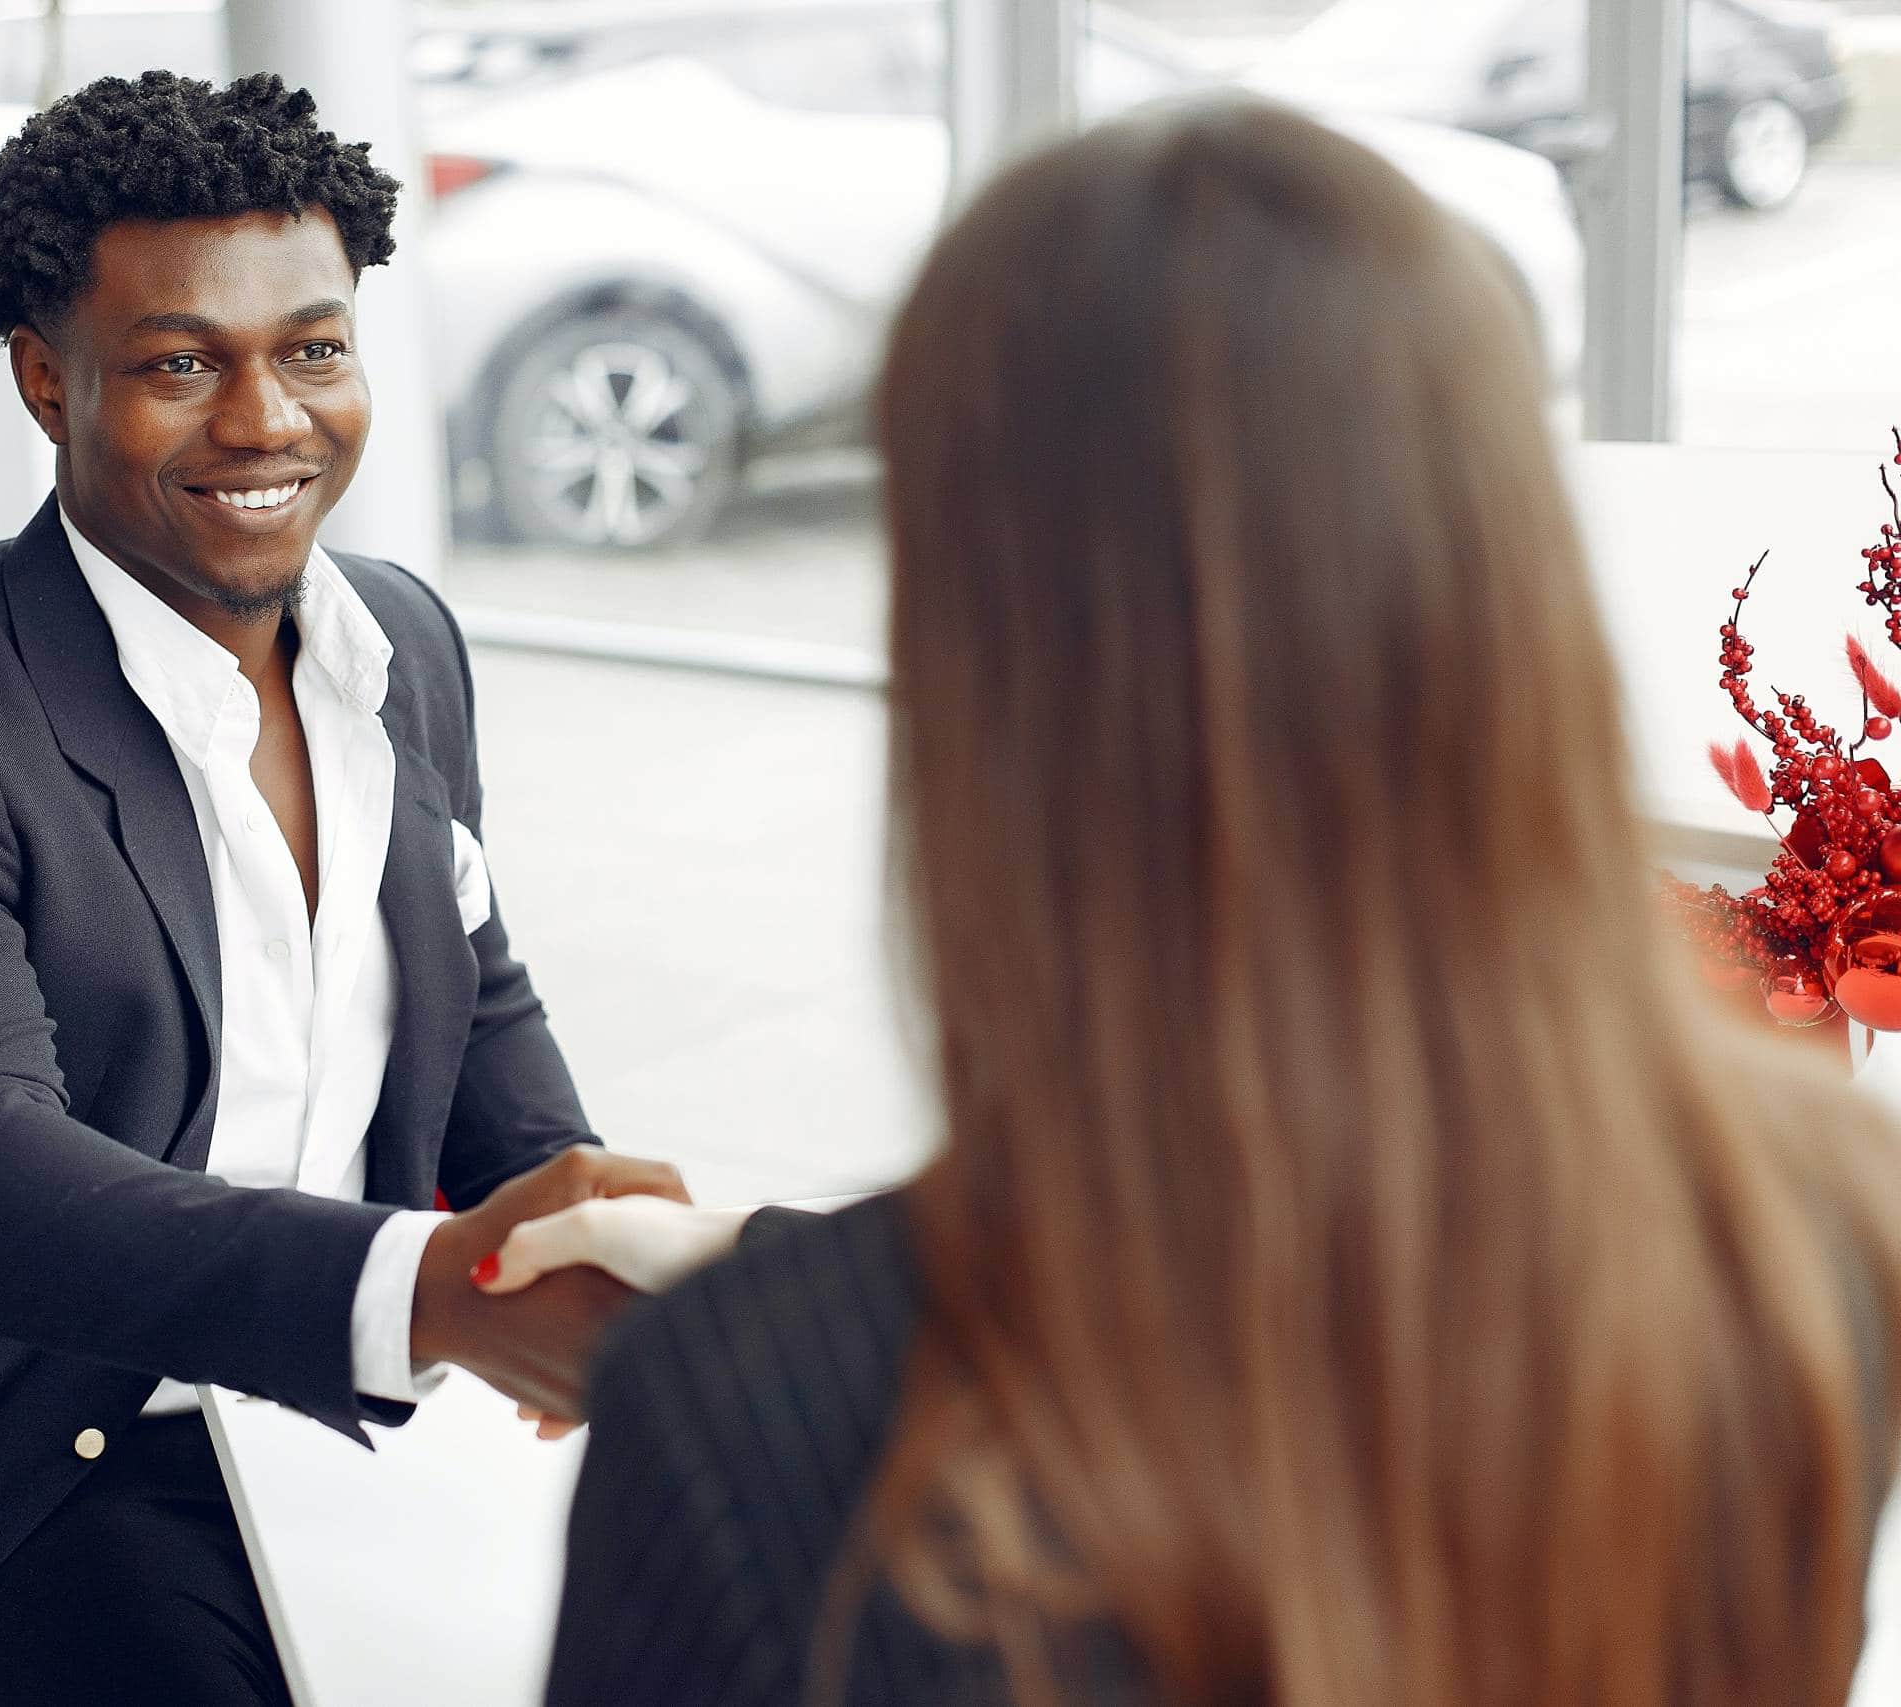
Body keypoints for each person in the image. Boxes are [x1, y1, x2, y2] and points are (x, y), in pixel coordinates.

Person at [496, 99, 1901, 1707]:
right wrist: (767, 1260)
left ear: (986, 682)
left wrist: (789, 1306)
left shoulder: (747, 1434)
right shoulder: (1815, 1234)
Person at [0, 71, 686, 1707]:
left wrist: (609, 1241)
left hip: (338, 1420)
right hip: (25, 1466)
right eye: (178, 364)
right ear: (41, 376)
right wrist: (427, 1288)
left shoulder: (401, 647)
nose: (266, 421)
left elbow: (479, 1007)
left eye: (312, 347)